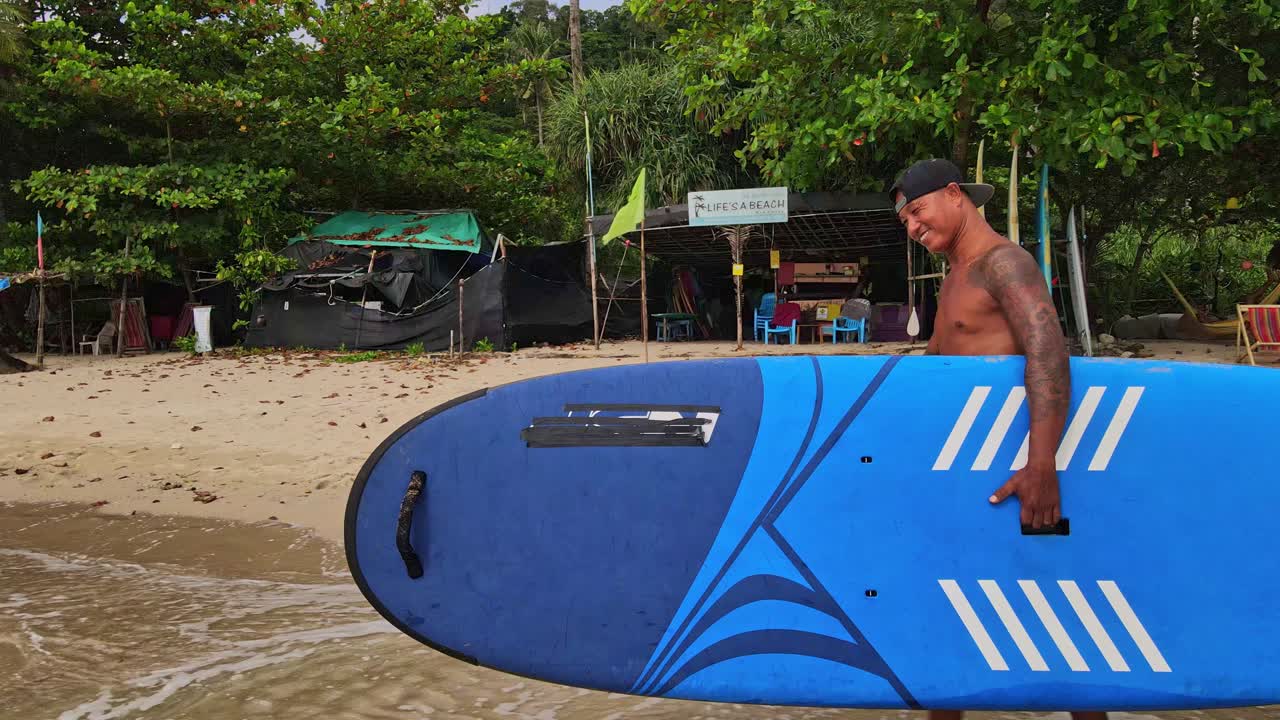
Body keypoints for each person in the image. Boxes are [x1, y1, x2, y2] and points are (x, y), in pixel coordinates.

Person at [890, 159, 1105, 720]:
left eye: (917, 211)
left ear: (954, 194)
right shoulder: (957, 273)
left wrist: (1042, 464)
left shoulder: (1003, 263)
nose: (912, 227)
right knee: (953, 617)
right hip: (966, 469)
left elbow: (1048, 353)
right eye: (905, 220)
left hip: (1017, 470)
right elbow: (943, 365)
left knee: (1060, 623)